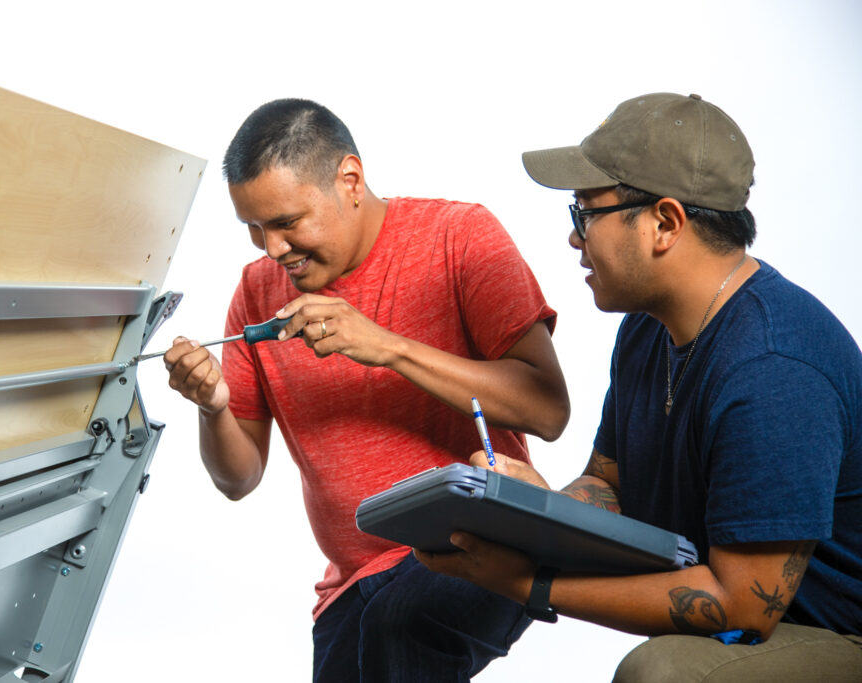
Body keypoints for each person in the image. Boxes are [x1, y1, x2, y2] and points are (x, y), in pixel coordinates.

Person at [417, 92, 862, 682]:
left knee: (662, 671)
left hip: (833, 633)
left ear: (665, 223)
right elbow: (609, 482)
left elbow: (743, 606)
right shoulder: (646, 332)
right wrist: (533, 509)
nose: (575, 239)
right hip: (756, 631)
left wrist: (531, 583)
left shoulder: (773, 369)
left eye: (584, 213)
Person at [163, 98, 570, 681]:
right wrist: (214, 408)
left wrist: (389, 347)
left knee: (398, 620)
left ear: (350, 180)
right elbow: (239, 479)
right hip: (352, 583)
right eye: (253, 228)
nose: (271, 249)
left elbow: (549, 409)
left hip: (479, 542)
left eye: (286, 223)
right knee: (379, 621)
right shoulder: (256, 293)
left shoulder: (461, 236)